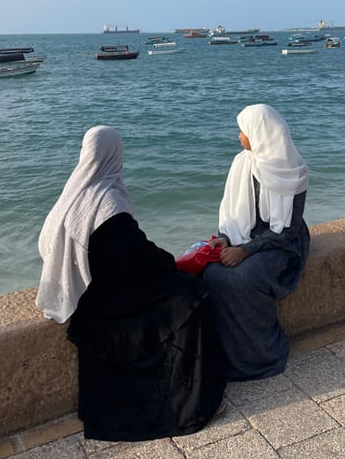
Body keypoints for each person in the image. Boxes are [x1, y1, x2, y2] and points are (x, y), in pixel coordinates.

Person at [36, 125, 226, 441]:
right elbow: (136, 257)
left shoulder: (72, 197)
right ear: (114, 154)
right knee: (191, 295)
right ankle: (188, 403)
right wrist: (174, 263)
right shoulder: (106, 203)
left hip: (88, 295)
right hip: (109, 305)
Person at [204, 104, 310, 381]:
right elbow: (231, 213)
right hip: (245, 237)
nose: (239, 137)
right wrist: (224, 240)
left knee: (244, 278)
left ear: (260, 133)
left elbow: (286, 232)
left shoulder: (293, 170)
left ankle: (264, 356)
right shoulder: (243, 163)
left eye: (243, 131)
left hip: (282, 243)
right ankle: (229, 354)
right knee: (212, 272)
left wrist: (245, 251)